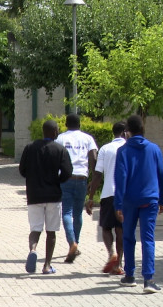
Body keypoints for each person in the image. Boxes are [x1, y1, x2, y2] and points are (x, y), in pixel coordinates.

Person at [114, 115, 163, 294]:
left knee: (128, 236)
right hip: (150, 199)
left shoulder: (123, 151)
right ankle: (149, 279)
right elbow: (161, 176)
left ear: (127, 132)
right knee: (148, 238)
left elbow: (120, 179)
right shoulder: (154, 149)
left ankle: (129, 275)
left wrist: (118, 204)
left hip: (129, 201)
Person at [19, 120, 72, 274]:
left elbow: (22, 170)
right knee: (51, 231)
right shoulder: (60, 150)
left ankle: (33, 249)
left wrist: (33, 179)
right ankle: (47, 265)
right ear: (54, 131)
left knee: (35, 229)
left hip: (34, 195)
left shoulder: (30, 148)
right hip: (53, 195)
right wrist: (57, 181)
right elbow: (68, 171)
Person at [85, 122, 127, 275]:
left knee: (106, 227)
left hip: (108, 193)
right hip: (125, 195)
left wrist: (90, 198)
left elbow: (97, 174)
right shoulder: (129, 148)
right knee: (121, 228)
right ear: (124, 132)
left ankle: (111, 254)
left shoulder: (105, 149)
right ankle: (119, 263)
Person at [55, 114, 98, 263]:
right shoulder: (87, 139)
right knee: (78, 213)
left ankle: (72, 243)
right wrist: (93, 178)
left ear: (66, 124)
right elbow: (93, 158)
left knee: (66, 211)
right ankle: (76, 243)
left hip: (66, 178)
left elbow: (55, 158)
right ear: (80, 124)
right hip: (81, 178)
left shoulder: (60, 138)